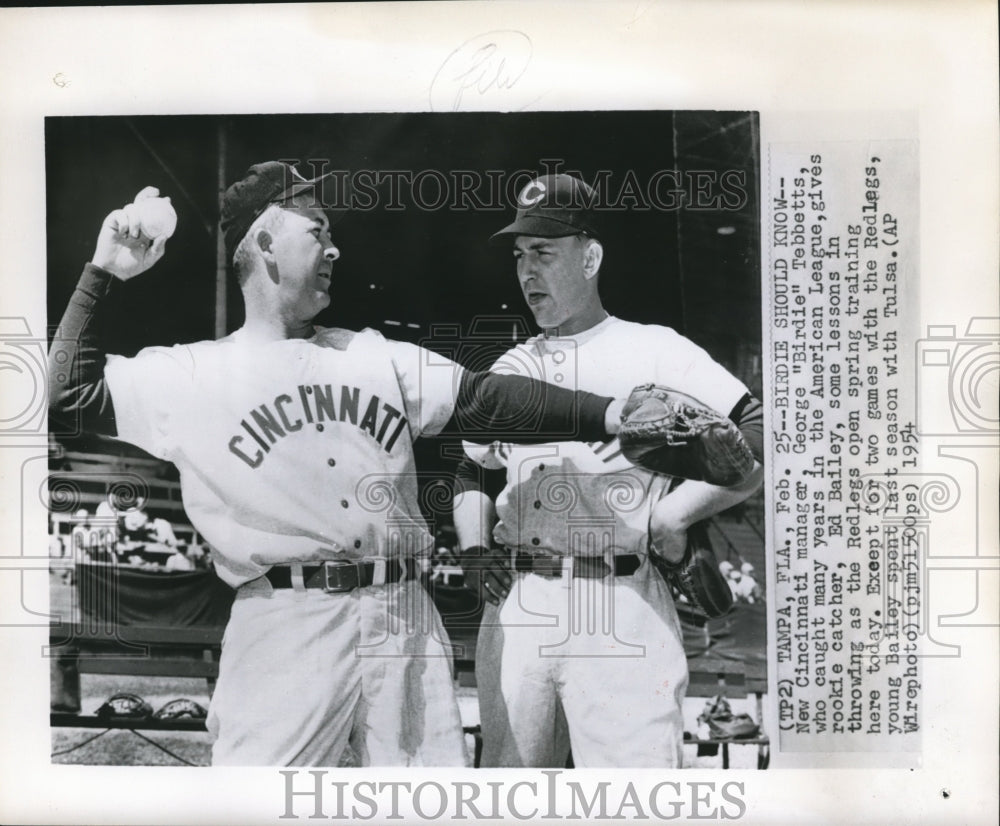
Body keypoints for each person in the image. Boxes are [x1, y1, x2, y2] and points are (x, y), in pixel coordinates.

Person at [47, 161, 645, 767]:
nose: (335, 246)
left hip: (404, 617)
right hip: (285, 624)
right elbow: (66, 398)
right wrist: (103, 274)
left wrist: (613, 414)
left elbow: (486, 401)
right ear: (265, 242)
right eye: (317, 229)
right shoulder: (194, 373)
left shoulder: (374, 355)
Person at [452, 173, 765, 768]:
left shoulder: (653, 349)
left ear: (590, 257)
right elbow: (468, 471)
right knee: (508, 795)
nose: (526, 272)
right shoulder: (511, 366)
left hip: (621, 597)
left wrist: (675, 515)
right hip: (522, 604)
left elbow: (755, 432)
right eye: (519, 256)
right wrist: (472, 552)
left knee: (635, 798)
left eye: (543, 253)